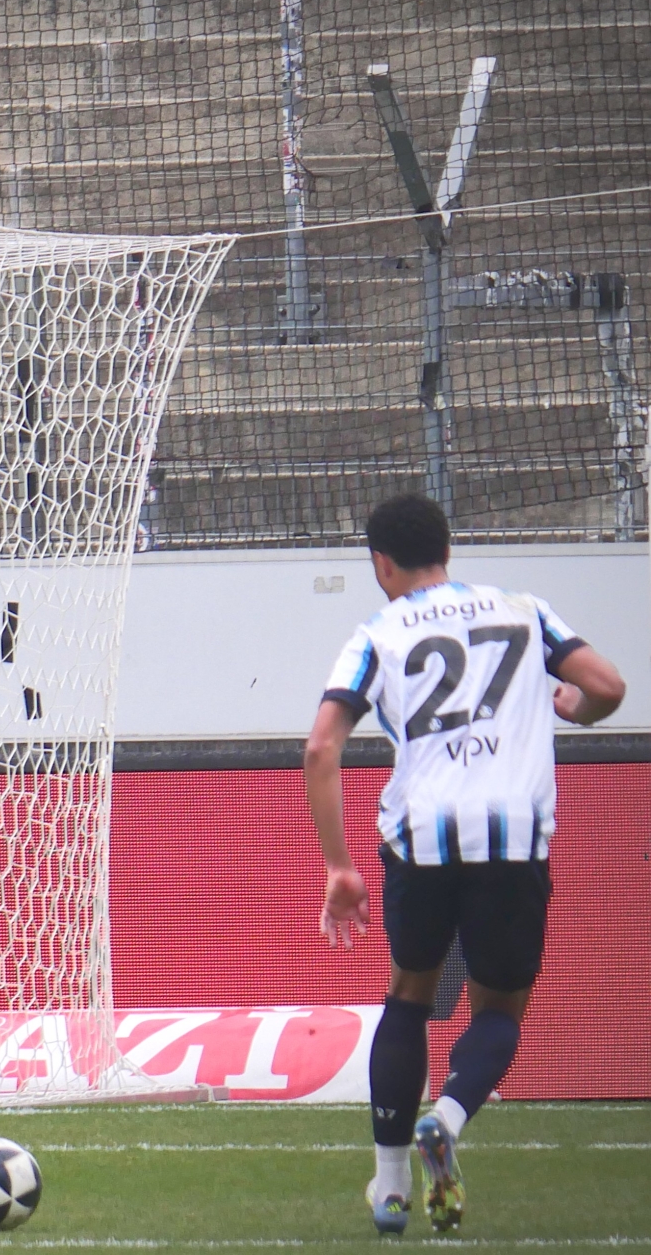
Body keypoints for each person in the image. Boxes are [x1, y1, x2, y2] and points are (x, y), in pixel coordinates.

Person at [305, 493, 624, 1234]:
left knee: (410, 994)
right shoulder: (524, 609)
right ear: (448, 550)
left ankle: (390, 1188)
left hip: (421, 836)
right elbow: (607, 687)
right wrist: (573, 709)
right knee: (500, 1010)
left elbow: (321, 746)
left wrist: (339, 867)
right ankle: (446, 1118)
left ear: (381, 565)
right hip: (512, 836)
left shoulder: (377, 632)